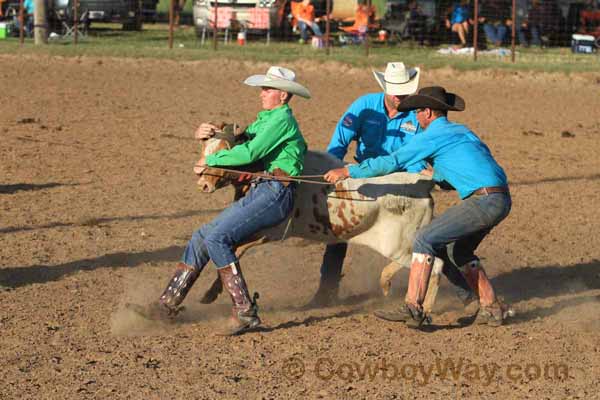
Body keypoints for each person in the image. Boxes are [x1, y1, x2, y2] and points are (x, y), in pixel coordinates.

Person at [132, 66, 310, 336]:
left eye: (268, 89)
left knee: (216, 239)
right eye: (263, 88)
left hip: (276, 192)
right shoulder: (269, 119)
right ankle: (166, 305)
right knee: (201, 236)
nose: (262, 93)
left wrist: (209, 161)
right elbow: (237, 139)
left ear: (284, 96)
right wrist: (209, 133)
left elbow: (249, 152)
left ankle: (245, 311)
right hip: (264, 190)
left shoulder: (281, 120)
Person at [323, 86, 511, 327]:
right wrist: (439, 175)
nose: (416, 117)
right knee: (458, 251)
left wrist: (349, 170)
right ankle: (491, 307)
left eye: (418, 111)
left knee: (424, 238)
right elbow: (471, 164)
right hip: (500, 197)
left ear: (429, 113)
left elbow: (393, 161)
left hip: (483, 199)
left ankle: (413, 307)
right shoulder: (462, 132)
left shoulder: (432, 135)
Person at [309, 63, 474, 309]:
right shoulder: (363, 106)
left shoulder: (418, 115)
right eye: (395, 91)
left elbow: (421, 153)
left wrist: (423, 180)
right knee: (337, 232)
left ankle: (465, 293)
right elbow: (338, 145)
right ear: (385, 88)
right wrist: (333, 172)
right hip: (363, 178)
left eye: (404, 92)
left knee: (425, 238)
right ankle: (327, 290)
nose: (399, 97)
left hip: (401, 182)